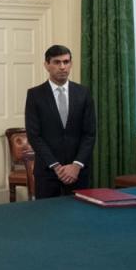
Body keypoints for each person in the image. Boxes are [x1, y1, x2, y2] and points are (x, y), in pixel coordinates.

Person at [24, 44, 96, 199]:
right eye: (57, 62)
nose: (62, 67)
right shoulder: (35, 95)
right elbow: (34, 136)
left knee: (79, 220)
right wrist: (56, 167)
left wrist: (76, 165)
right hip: (48, 173)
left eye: (66, 62)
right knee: (47, 220)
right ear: (46, 65)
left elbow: (89, 134)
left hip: (79, 173)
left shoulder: (83, 93)